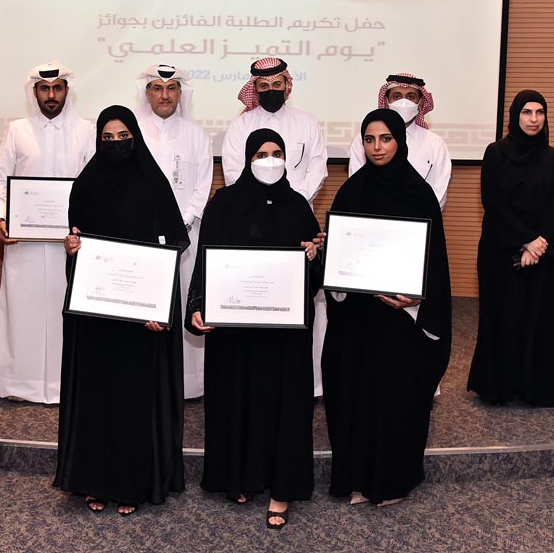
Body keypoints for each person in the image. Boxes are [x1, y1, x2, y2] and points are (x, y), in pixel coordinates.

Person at [54, 106, 188, 517]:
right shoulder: (86, 185)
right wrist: (71, 248)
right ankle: (96, 481)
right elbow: (77, 240)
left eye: (123, 136)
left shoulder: (153, 183)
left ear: (135, 138)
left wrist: (161, 308)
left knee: (133, 401)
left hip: (138, 320)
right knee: (98, 399)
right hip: (97, 317)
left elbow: (170, 248)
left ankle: (132, 484)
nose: (115, 144)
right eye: (107, 138)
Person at [185, 128, 321, 530]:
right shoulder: (224, 203)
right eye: (261, 154)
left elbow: (314, 273)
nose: (270, 160)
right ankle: (239, 476)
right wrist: (198, 305)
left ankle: (282, 488)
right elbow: (206, 258)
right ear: (247, 159)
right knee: (238, 397)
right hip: (236, 332)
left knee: (283, 405)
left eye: (277, 153)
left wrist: (314, 255)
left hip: (284, 335)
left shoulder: (298, 205)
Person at [322, 109, 452, 507]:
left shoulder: (419, 194)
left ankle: (394, 481)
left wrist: (418, 297)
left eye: (385, 139)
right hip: (359, 321)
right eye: (369, 139)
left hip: (400, 323)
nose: (377, 147)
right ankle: (356, 478)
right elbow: (340, 260)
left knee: (397, 399)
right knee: (356, 395)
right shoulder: (351, 191)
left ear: (400, 140)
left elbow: (435, 263)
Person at [221, 57, 330, 397]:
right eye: (263, 86)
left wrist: (291, 203)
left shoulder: (306, 122)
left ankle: (305, 384)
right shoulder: (240, 126)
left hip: (296, 220)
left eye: (276, 84)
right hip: (249, 225)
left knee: (296, 304)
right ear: (254, 88)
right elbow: (233, 171)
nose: (271, 90)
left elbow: (318, 166)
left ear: (287, 85)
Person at [0, 61, 95, 404]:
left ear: (67, 90)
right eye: (44, 89)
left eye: (57, 88)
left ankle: (67, 385)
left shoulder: (86, 130)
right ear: (34, 92)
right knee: (24, 313)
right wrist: (2, 219)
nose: (51, 95)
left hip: (70, 244)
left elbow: (95, 185)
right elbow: (0, 182)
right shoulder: (17, 130)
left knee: (65, 311)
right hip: (25, 244)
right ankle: (20, 384)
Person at [467, 90, 554, 407]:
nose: (534, 119)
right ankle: (500, 386)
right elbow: (493, 203)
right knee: (504, 318)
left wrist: (539, 244)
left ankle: (536, 388)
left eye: (539, 112)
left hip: (544, 254)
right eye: (527, 112)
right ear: (515, 116)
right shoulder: (496, 153)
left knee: (540, 321)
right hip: (501, 250)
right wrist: (526, 240)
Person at [134, 63, 213, 399]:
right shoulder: (135, 132)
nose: (164, 95)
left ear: (180, 93)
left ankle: (188, 384)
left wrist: (184, 222)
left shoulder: (196, 135)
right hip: (144, 238)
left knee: (184, 304)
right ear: (147, 93)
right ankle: (148, 381)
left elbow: (204, 183)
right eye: (157, 88)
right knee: (146, 305)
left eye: (171, 88)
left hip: (187, 234)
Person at [347, 73, 452, 208]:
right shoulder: (363, 139)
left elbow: (439, 190)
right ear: (387, 101)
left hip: (420, 216)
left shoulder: (435, 143)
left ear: (420, 102)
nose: (403, 102)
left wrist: (422, 215)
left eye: (410, 97)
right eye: (396, 97)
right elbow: (357, 184)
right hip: (370, 213)